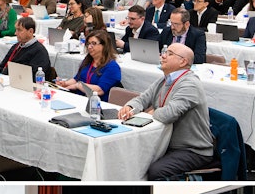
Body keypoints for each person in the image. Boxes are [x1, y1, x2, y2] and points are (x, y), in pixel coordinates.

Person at [118, 44, 215, 180]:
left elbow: (169, 114)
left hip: (192, 149)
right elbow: (143, 99)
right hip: (165, 142)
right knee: (130, 158)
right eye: (164, 52)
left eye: (169, 54)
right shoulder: (165, 80)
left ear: (183, 62)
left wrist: (152, 112)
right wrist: (129, 107)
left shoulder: (190, 84)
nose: (162, 56)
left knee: (155, 170)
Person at [57, 30, 121, 102]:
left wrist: (78, 86)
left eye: (93, 43)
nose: (89, 47)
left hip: (97, 104)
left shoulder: (112, 67)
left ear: (104, 45)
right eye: (88, 44)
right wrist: (65, 83)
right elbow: (76, 79)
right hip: (80, 99)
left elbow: (99, 90)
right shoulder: (88, 61)